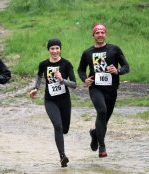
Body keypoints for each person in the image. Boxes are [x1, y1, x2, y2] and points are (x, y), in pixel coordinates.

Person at [78, 24, 130, 158]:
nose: (100, 35)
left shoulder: (114, 49)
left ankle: (95, 134)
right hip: (96, 88)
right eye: (97, 33)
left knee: (104, 120)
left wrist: (117, 71)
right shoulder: (87, 52)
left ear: (105, 34)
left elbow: (126, 67)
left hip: (111, 89)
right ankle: (102, 147)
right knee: (101, 111)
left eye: (102, 32)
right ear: (93, 35)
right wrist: (85, 79)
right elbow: (81, 70)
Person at [30, 38, 76, 167]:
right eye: (52, 48)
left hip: (64, 101)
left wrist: (62, 80)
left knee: (65, 129)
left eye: (57, 48)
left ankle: (61, 147)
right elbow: (39, 77)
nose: (55, 51)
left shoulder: (66, 64)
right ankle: (62, 156)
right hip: (50, 100)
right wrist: (35, 88)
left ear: (60, 49)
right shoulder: (43, 64)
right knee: (58, 126)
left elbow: (74, 84)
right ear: (48, 50)